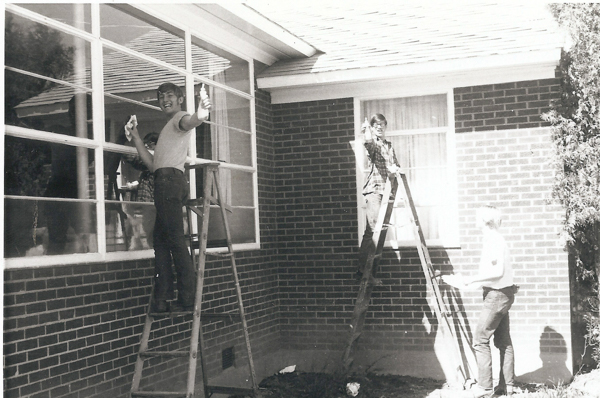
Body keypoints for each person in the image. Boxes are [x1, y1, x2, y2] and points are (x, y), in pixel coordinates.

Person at [127, 82, 211, 313]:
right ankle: (162, 299)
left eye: (170, 95)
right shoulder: (168, 129)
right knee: (162, 242)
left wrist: (201, 114)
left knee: (173, 240)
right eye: (160, 96)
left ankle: (187, 298)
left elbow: (190, 121)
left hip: (168, 184)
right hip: (166, 181)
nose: (165, 99)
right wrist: (135, 138)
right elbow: (153, 165)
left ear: (180, 99)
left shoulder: (178, 119)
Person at [462, 205, 517, 397]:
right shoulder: (495, 239)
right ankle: (507, 386)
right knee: (503, 340)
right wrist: (472, 283)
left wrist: (472, 279)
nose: (475, 219)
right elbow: (497, 275)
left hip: (496, 296)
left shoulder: (493, 240)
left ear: (485, 219)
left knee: (480, 340)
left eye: (477, 215)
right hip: (504, 294)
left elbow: (496, 272)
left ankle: (484, 388)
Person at [356, 113, 402, 284]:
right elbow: (368, 143)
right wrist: (366, 131)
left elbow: (396, 165)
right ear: (373, 128)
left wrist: (394, 168)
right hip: (375, 190)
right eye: (376, 125)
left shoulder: (389, 146)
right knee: (373, 231)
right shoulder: (374, 143)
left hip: (387, 191)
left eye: (382, 125)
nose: (380, 128)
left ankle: (371, 274)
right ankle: (363, 272)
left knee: (380, 233)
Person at [123, 132, 159, 249]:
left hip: (151, 203)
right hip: (152, 203)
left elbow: (136, 160)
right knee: (151, 231)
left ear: (152, 145)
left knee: (150, 230)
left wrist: (122, 148)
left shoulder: (154, 160)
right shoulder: (159, 160)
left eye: (146, 146)